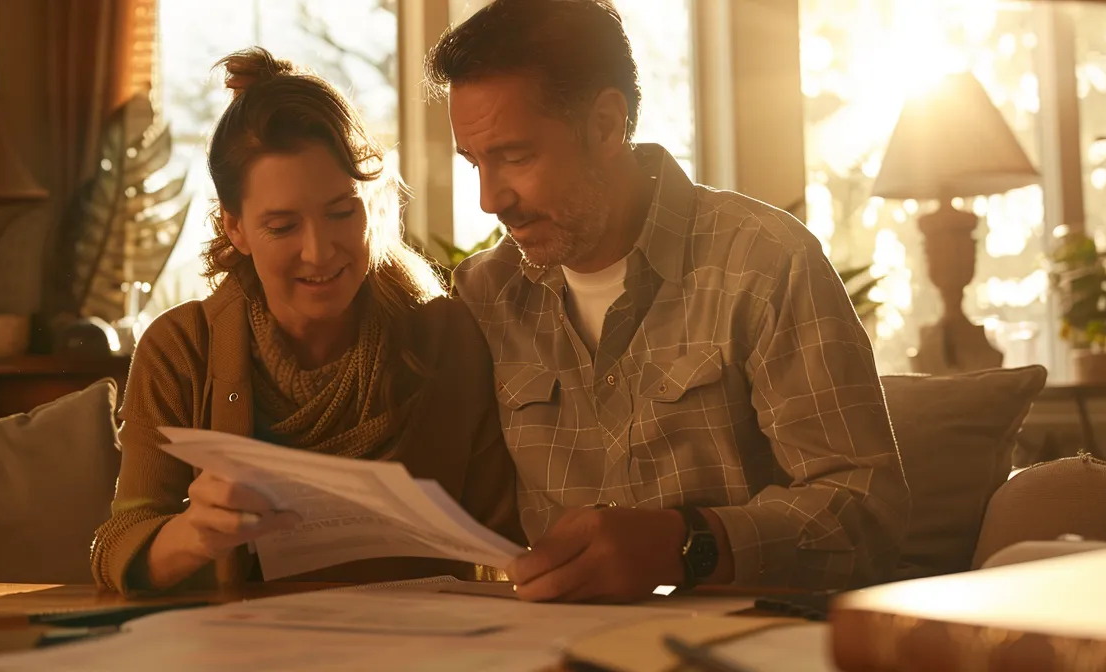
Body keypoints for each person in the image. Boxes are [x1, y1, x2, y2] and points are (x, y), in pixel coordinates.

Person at [427, 0, 911, 602]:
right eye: (474, 161)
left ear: (606, 125)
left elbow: (868, 514)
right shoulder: (483, 295)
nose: (490, 200)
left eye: (516, 156)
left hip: (740, 649)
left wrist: (689, 545)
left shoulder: (763, 263)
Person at [90, 47, 523, 594]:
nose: (319, 253)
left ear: (373, 203)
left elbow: (504, 540)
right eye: (282, 226)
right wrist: (193, 533)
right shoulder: (181, 349)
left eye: (342, 212)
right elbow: (117, 544)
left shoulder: (445, 334)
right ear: (236, 229)